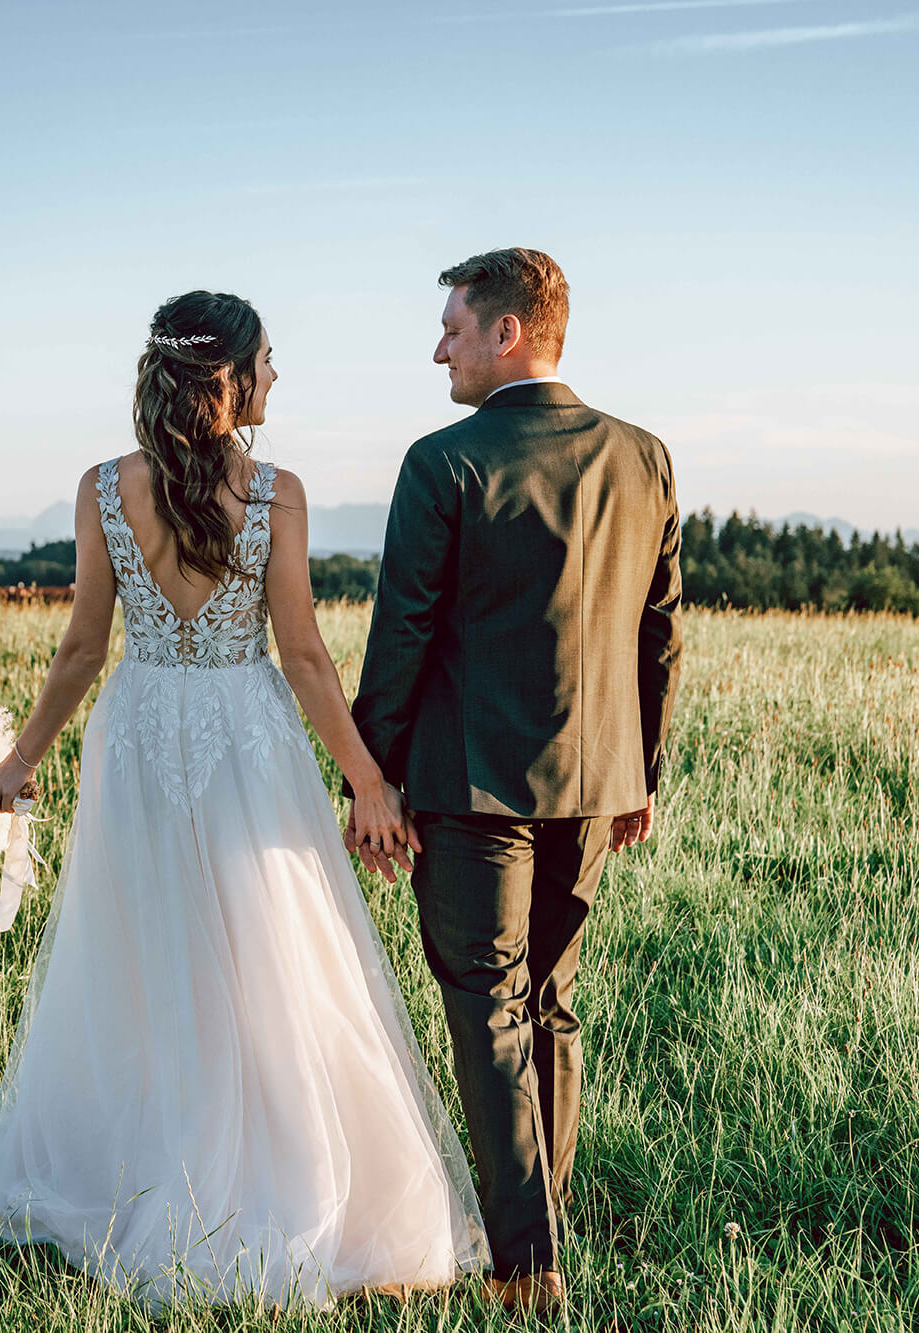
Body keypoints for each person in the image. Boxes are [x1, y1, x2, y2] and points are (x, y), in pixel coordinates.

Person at [0, 290, 489, 1310]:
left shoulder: (104, 487)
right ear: (227, 378)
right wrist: (367, 780)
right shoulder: (275, 491)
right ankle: (274, 1181)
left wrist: (23, 759)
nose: (277, 379)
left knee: (151, 957)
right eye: (268, 362)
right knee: (268, 955)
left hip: (142, 735)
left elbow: (79, 649)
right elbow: (302, 656)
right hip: (243, 737)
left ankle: (157, 1168)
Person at [345, 248, 683, 1315]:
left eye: (451, 325)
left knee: (488, 1009)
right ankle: (542, 1234)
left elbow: (399, 633)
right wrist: (641, 774)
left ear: (508, 333)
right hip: (595, 784)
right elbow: (660, 635)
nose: (436, 345)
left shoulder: (441, 462)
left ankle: (524, 1265)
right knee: (548, 1005)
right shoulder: (645, 456)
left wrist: (368, 776)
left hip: (468, 786)